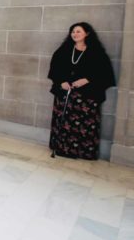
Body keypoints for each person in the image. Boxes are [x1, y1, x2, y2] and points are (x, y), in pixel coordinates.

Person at [48, 22, 116, 160]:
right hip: (65, 94)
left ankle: (83, 152)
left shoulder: (97, 53)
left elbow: (105, 73)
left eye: (78, 31)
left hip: (87, 96)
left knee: (84, 124)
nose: (75, 34)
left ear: (87, 33)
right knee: (65, 120)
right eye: (73, 31)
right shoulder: (63, 50)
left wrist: (87, 79)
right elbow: (55, 69)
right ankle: (62, 149)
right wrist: (61, 81)